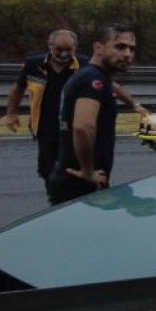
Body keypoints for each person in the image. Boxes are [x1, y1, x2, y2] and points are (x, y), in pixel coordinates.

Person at [5, 29, 148, 191]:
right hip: (45, 129)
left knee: (81, 176)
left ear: (76, 47)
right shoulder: (33, 64)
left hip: (71, 129)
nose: (64, 54)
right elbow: (18, 88)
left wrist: (133, 103)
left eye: (69, 50)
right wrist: (11, 112)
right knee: (49, 174)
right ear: (49, 45)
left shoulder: (85, 64)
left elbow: (110, 85)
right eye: (59, 49)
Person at [47, 24, 137, 205]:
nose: (127, 54)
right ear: (98, 48)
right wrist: (88, 171)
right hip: (80, 183)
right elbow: (83, 127)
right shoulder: (93, 80)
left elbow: (112, 87)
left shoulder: (92, 76)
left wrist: (135, 105)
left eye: (131, 49)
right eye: (120, 46)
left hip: (74, 178)